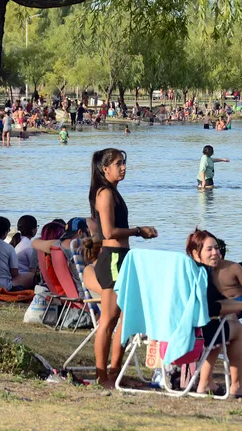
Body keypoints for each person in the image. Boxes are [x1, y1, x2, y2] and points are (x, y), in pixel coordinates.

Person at [89, 148, 158, 389]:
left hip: (123, 256)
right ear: (104, 169)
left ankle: (115, 372)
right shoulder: (104, 193)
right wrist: (139, 231)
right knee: (108, 320)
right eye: (118, 163)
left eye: (124, 163)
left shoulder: (114, 192)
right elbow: (108, 232)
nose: (123, 167)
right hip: (113, 258)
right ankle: (101, 376)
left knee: (125, 318)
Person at [186, 229, 242, 398]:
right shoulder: (203, 274)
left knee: (218, 327)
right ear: (195, 253)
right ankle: (237, 386)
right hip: (191, 335)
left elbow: (218, 303)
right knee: (233, 328)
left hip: (166, 333)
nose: (216, 253)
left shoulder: (186, 271)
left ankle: (206, 382)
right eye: (209, 250)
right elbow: (212, 308)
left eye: (217, 248)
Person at [0, 217, 35, 294]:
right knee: (31, 276)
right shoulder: (8, 248)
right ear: (5, 232)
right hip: (2, 286)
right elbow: (14, 274)